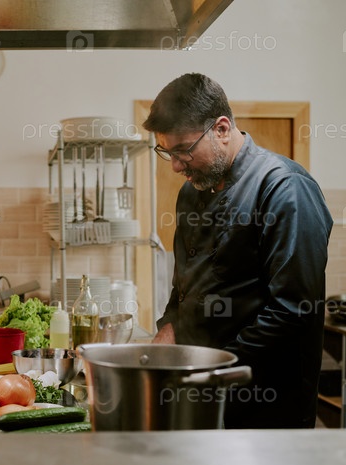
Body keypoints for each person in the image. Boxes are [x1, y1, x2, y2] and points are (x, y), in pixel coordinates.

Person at [142, 73, 333, 429]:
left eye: (183, 150)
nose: (176, 165)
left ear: (222, 129)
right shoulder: (191, 193)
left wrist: (210, 369)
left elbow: (293, 312)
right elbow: (184, 286)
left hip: (266, 404)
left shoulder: (284, 188)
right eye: (167, 152)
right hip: (201, 393)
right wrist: (169, 326)